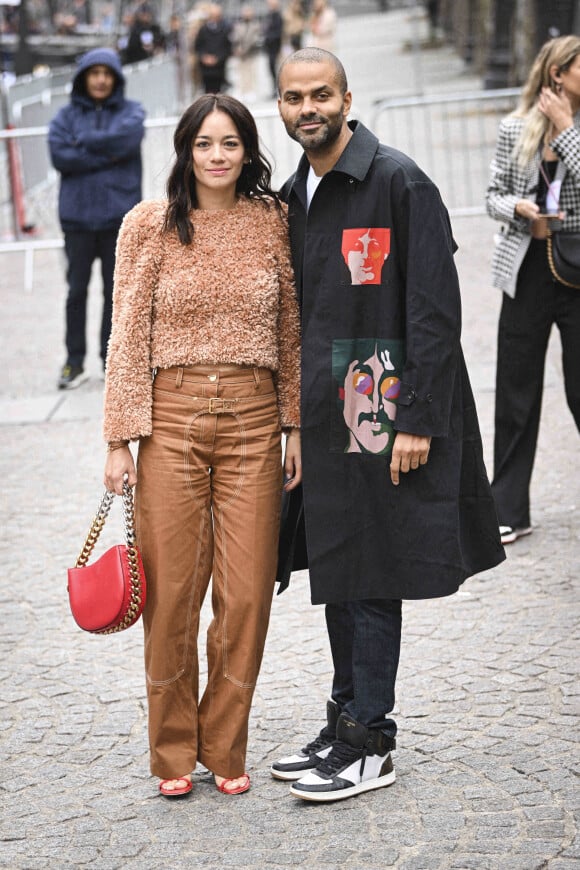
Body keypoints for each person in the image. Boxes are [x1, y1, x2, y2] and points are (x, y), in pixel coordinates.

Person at [271, 48, 505, 802]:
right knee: (340, 562)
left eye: (320, 94)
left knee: (371, 567)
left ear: (346, 96)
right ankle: (343, 721)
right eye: (292, 97)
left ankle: (371, 740)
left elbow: (434, 309)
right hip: (326, 398)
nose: (307, 108)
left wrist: (417, 420)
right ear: (280, 107)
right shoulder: (295, 192)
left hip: (377, 390)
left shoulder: (400, 180)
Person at [103, 93, 302, 799]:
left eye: (230, 143)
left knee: (246, 594)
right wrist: (119, 440)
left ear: (248, 150)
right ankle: (173, 752)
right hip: (171, 419)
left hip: (253, 418)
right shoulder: (148, 225)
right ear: (185, 150)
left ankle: (226, 745)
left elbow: (291, 326)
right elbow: (127, 335)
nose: (217, 156)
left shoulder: (274, 220)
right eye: (204, 144)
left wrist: (294, 423)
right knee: (174, 596)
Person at [485, 35, 580, 546]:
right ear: (558, 73)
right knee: (515, 390)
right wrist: (518, 208)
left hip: (577, 273)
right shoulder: (514, 128)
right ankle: (507, 508)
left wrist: (567, 133)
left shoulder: (575, 129)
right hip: (526, 269)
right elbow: (492, 195)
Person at [49, 48, 145, 389]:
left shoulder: (132, 113)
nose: (101, 80)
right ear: (84, 78)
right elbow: (60, 156)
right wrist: (108, 154)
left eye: (107, 73)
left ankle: (111, 360)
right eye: (94, 73)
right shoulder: (64, 118)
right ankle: (74, 362)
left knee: (115, 293)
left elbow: (128, 140)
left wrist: (84, 144)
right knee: (76, 292)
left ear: (116, 78)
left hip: (117, 220)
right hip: (77, 220)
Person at [194, 3, 232, 94]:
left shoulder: (225, 29)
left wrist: (217, 58)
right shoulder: (203, 29)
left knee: (219, 91)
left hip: (219, 67)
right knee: (207, 91)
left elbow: (227, 46)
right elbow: (198, 46)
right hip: (205, 68)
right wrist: (204, 57)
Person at [231, 5, 262, 100]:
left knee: (252, 73)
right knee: (242, 73)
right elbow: (235, 38)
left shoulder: (256, 25)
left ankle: (251, 92)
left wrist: (244, 49)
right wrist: (238, 49)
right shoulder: (238, 25)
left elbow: (255, 39)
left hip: (251, 53)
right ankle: (243, 91)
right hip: (241, 55)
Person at [263, 0, 283, 99]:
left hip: (276, 47)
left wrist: (269, 37)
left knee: (278, 69)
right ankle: (274, 89)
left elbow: (278, 33)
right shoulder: (269, 16)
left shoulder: (278, 17)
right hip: (270, 48)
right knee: (271, 70)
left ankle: (279, 90)